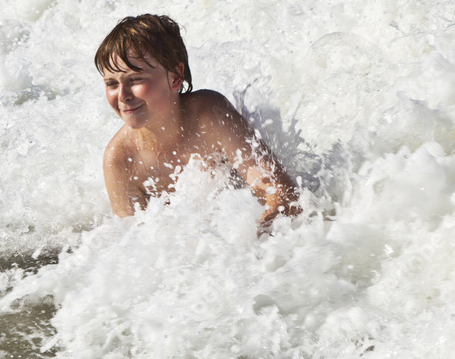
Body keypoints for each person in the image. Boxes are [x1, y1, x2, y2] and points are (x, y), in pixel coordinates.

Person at [95, 14, 301, 236]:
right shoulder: (120, 159)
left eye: (135, 80)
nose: (122, 95)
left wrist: (249, 244)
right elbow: (133, 245)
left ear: (175, 77)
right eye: (111, 84)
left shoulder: (208, 116)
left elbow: (284, 198)